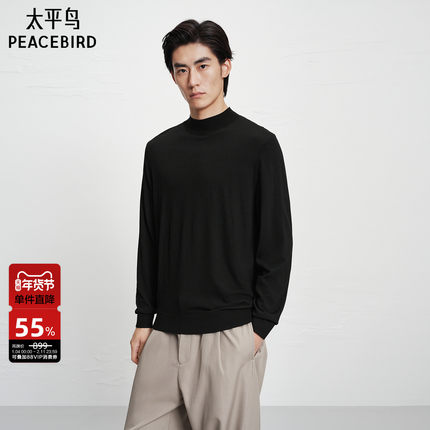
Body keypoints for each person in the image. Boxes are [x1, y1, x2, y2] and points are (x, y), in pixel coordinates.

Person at [124, 19, 293, 430]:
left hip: (230, 334)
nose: (193, 80)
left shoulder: (258, 146)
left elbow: (275, 243)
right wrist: (145, 317)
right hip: (167, 331)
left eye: (203, 66)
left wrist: (259, 329)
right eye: (181, 69)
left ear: (225, 66)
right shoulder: (159, 150)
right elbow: (151, 237)